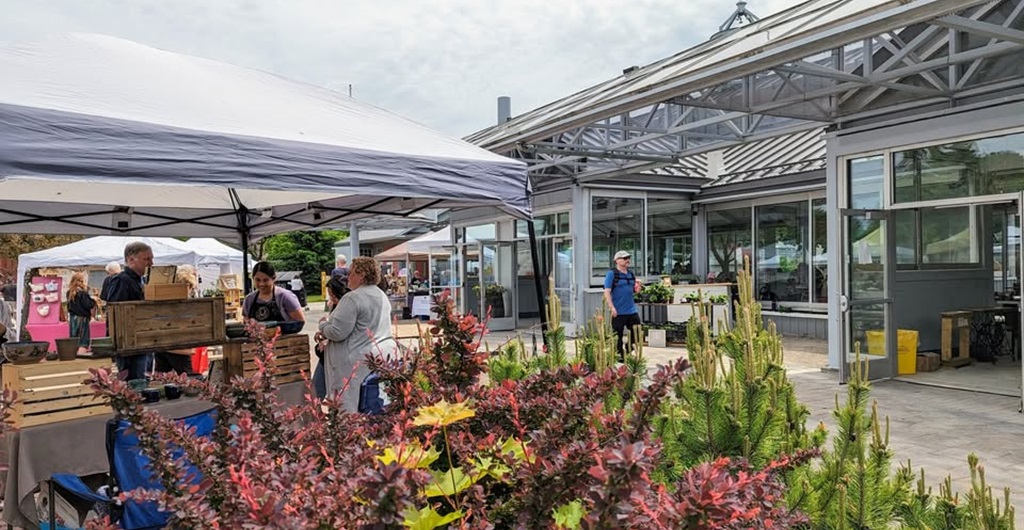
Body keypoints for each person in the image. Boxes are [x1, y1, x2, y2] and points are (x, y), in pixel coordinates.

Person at [316, 256, 396, 412]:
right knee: (374, 405)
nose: (348, 278)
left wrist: (322, 324)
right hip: (378, 357)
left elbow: (337, 332)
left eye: (351, 273)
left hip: (353, 362)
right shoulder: (381, 295)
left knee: (349, 409)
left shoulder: (352, 298)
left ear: (361, 275)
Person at [104, 242, 155, 380]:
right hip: (128, 345)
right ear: (131, 260)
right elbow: (116, 312)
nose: (151, 263)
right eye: (146, 259)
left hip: (142, 341)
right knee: (134, 384)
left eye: (151, 259)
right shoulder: (121, 280)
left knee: (143, 382)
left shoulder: (142, 280)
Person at [314, 276, 350, 399]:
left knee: (325, 392)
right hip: (327, 356)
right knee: (316, 391)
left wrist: (323, 325)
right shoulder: (336, 307)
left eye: (334, 296)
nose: (332, 300)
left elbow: (339, 332)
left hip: (339, 358)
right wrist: (324, 334)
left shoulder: (348, 308)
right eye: (330, 296)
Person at [603, 250, 642, 361]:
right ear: (617, 260)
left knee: (637, 332)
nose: (627, 260)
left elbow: (633, 290)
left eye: (628, 258)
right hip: (618, 311)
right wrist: (612, 307)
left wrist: (637, 289)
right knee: (617, 336)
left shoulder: (631, 274)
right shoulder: (612, 274)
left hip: (631, 310)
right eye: (625, 258)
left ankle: (628, 349)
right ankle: (619, 356)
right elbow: (607, 292)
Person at [66, 271, 96, 355]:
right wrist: (93, 301)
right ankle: (80, 358)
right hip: (82, 318)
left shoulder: (69, 292)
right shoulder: (82, 293)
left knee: (74, 339)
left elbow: (69, 307)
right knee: (83, 341)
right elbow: (88, 305)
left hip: (73, 318)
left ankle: (73, 356)